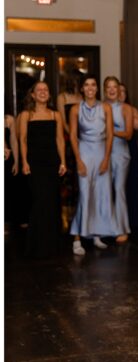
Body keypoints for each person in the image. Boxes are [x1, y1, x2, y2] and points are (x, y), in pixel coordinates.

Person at [18, 82, 67, 258]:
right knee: (39, 202)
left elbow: (60, 140)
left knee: (52, 202)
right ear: (32, 95)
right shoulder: (26, 115)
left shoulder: (55, 115)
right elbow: (23, 140)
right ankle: (36, 246)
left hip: (52, 163)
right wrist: (24, 162)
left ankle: (51, 247)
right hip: (35, 164)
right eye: (39, 90)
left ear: (49, 94)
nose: (43, 92)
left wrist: (63, 162)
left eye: (45, 89)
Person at [68, 76, 115, 255]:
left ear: (97, 88)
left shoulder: (106, 107)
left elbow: (110, 135)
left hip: (101, 153)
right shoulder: (75, 109)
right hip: (84, 154)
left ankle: (96, 235)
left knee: (101, 196)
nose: (90, 88)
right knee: (84, 195)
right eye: (86, 85)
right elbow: (73, 136)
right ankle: (77, 238)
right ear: (82, 88)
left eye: (93, 85)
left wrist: (106, 159)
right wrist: (78, 160)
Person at [103, 76, 133, 243]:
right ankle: (105, 227)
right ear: (104, 90)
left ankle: (122, 228)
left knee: (118, 189)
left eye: (114, 87)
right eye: (109, 87)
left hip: (120, 154)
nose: (112, 90)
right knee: (104, 190)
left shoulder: (126, 108)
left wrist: (109, 131)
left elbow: (128, 134)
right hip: (102, 155)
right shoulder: (99, 107)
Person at [118, 83, 138, 235]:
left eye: (123, 91)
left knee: (131, 182)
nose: (121, 93)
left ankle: (132, 219)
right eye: (118, 90)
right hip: (113, 147)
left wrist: (126, 116)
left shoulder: (131, 109)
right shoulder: (107, 108)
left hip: (129, 146)